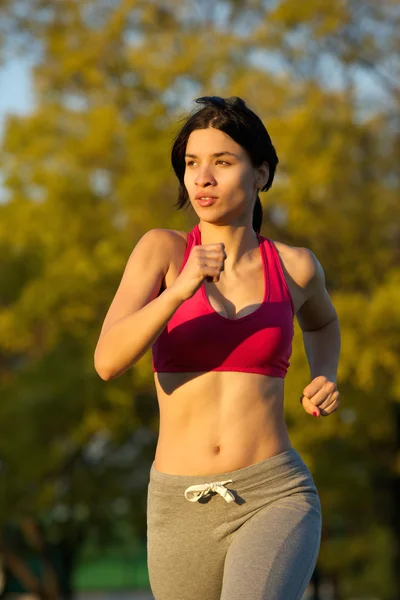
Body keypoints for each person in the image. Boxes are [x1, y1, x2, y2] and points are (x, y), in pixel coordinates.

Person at [94, 96, 341, 600]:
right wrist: (181, 289)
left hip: (274, 493)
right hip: (177, 504)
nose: (202, 178)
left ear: (261, 174)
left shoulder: (295, 266)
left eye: (222, 162)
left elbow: (323, 323)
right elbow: (107, 361)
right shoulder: (161, 251)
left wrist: (326, 372)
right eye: (191, 164)